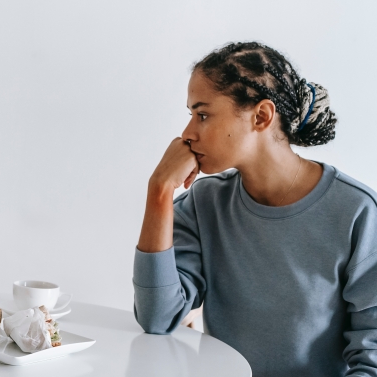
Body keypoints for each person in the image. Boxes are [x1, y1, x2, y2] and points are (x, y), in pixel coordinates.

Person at [133, 42, 377, 376]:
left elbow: (371, 358)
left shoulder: (357, 213)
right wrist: (159, 191)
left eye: (202, 115)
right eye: (190, 115)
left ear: (261, 116)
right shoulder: (205, 205)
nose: (187, 134)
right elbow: (158, 318)